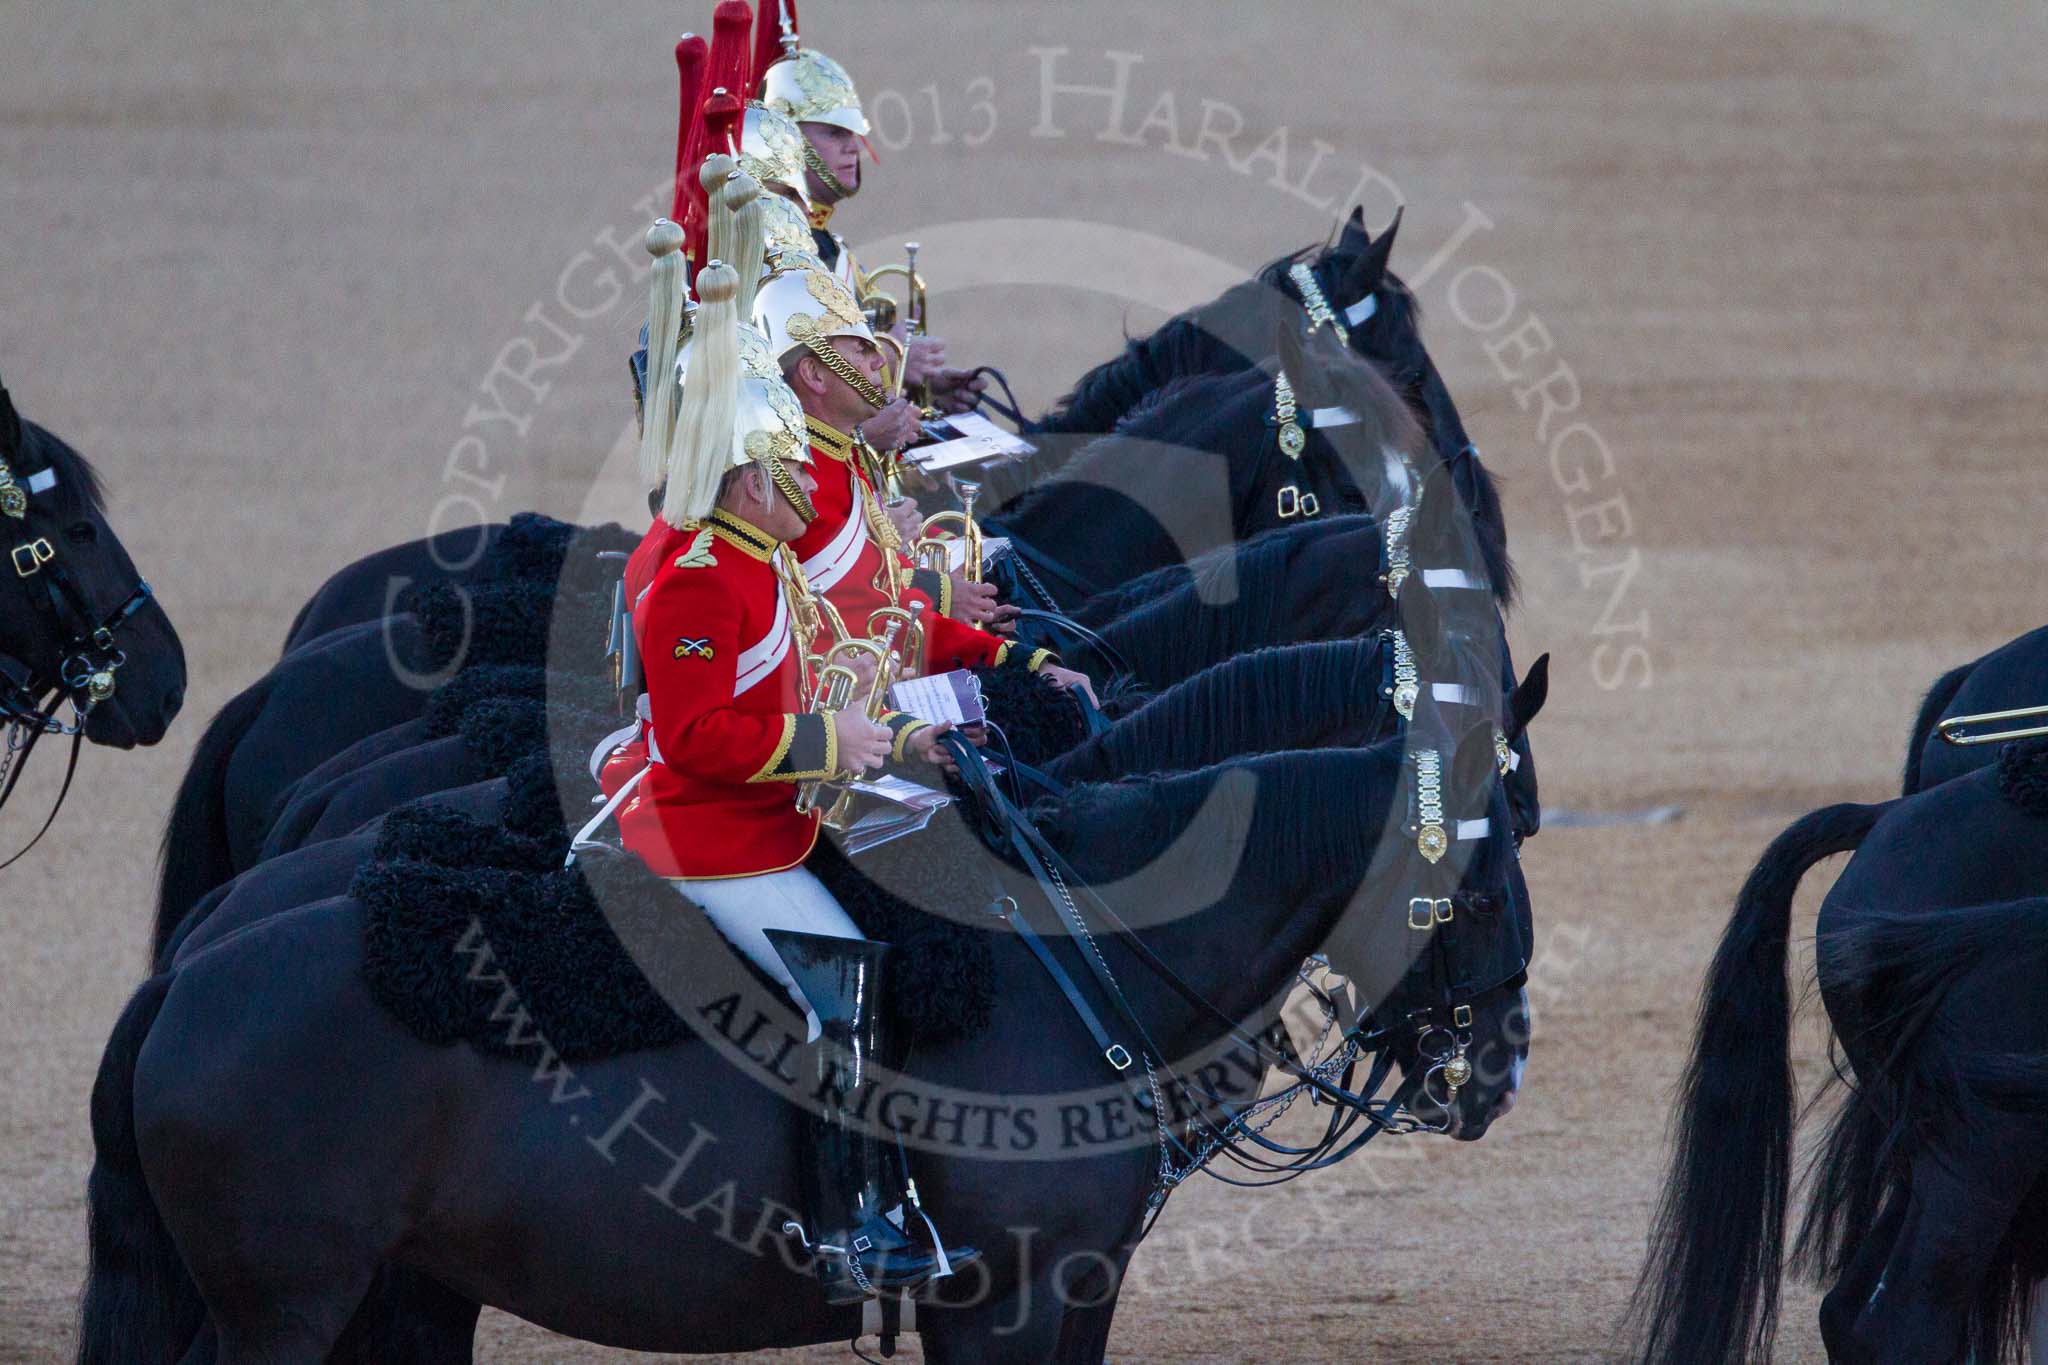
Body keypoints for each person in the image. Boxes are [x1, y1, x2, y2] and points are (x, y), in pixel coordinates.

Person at [614, 257, 977, 1304]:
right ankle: (852, 1224)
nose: (808, 490)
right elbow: (695, 740)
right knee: (844, 982)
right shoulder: (697, 579)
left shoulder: (758, 553)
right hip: (709, 833)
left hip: (773, 813)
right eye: (787, 475)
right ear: (741, 482)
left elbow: (826, 661)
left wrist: (898, 745)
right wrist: (828, 745)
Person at [753, 260, 1099, 700]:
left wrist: (980, 631)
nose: (881, 358)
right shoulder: (805, 476)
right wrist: (1006, 655)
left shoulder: (838, 455)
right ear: (815, 374)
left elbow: (878, 598)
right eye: (860, 349)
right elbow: (864, 624)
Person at [756, 4, 990, 417]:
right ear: (787, 139)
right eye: (834, 133)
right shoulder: (768, 247)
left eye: (854, 134)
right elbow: (796, 382)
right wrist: (897, 360)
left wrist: (924, 391)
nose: (853, 148)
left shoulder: (827, 245)